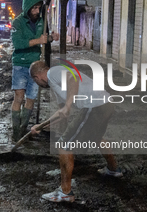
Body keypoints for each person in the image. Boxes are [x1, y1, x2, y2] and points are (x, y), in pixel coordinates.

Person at [29, 61, 123, 203]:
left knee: (64, 146)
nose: (39, 84)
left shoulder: (52, 73)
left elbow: (72, 78)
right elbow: (61, 114)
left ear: (36, 77)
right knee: (96, 138)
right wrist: (40, 127)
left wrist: (67, 106)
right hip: (106, 104)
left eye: (36, 81)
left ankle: (65, 192)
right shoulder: (56, 86)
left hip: (95, 106)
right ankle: (114, 169)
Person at [11, 0, 59, 141]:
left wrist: (51, 38)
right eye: (35, 8)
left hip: (35, 65)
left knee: (31, 98)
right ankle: (15, 131)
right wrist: (38, 40)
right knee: (19, 97)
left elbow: (43, 39)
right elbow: (18, 43)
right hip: (20, 64)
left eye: (39, 8)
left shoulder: (41, 22)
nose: (37, 11)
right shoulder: (17, 23)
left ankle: (24, 130)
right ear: (27, 8)